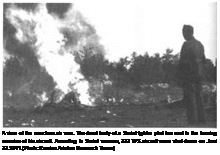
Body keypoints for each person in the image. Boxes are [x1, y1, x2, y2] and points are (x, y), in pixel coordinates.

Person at [177, 25, 206, 126]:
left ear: (188, 32)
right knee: (199, 97)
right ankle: (202, 120)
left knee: (190, 98)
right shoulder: (200, 44)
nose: (183, 34)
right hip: (199, 75)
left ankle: (192, 121)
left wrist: (180, 75)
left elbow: (182, 62)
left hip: (189, 75)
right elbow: (204, 60)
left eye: (184, 32)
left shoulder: (186, 45)